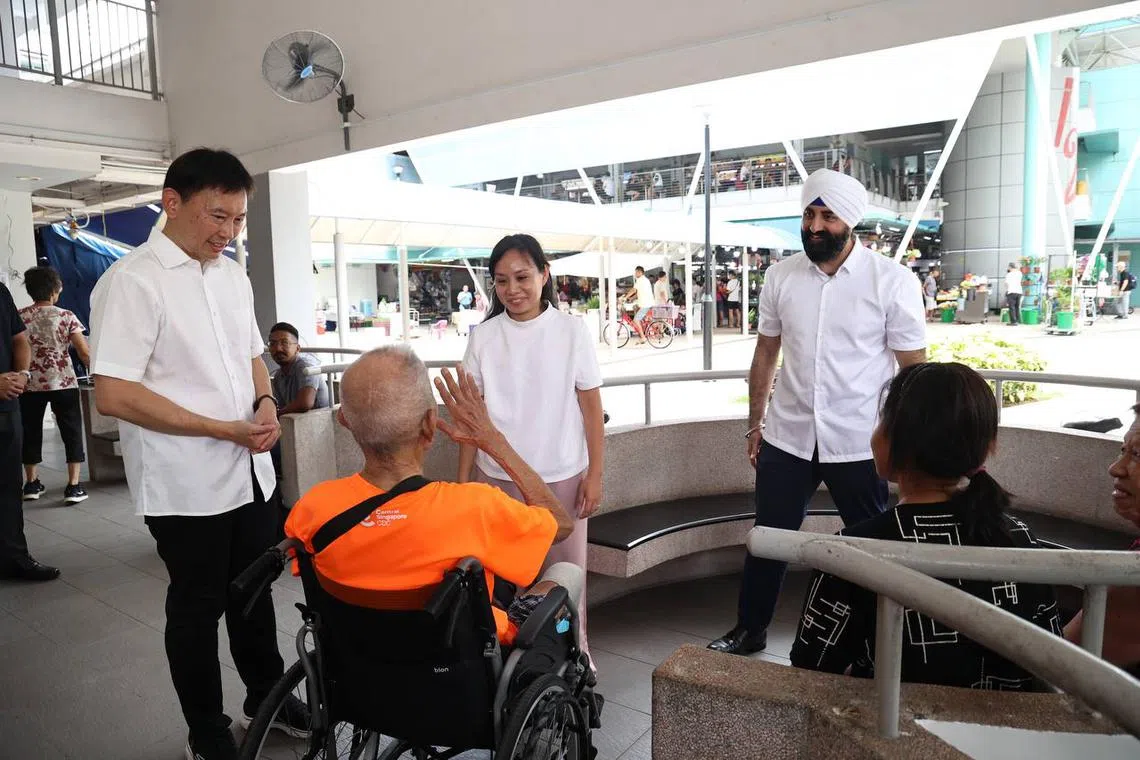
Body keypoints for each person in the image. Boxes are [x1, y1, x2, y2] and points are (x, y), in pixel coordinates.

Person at [90, 148, 304, 760]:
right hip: (185, 484)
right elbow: (114, 394)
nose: (228, 232)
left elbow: (249, 353)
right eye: (218, 216)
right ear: (173, 202)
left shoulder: (230, 273)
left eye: (238, 219)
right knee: (197, 607)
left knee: (255, 593)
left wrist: (264, 403)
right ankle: (205, 730)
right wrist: (221, 429)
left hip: (250, 470)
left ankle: (267, 697)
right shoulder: (132, 282)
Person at [708, 168, 927, 656]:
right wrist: (754, 425)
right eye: (809, 213)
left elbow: (914, 370)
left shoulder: (892, 281)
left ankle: (880, 644)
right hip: (787, 436)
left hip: (860, 441)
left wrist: (902, 440)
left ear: (850, 221)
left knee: (871, 548)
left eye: (827, 215)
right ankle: (750, 630)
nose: (814, 226)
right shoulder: (780, 276)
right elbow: (766, 354)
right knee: (768, 538)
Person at [790, 362, 1062, 689]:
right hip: (1007, 735)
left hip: (891, 730)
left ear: (894, 442)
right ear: (987, 446)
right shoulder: (1019, 537)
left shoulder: (852, 552)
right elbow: (1050, 655)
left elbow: (810, 667)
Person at [286, 351, 582, 650]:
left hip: (357, 667)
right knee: (567, 573)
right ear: (430, 424)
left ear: (345, 421)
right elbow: (561, 525)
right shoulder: (474, 507)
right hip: (461, 670)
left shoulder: (312, 508)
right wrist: (494, 441)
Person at [458, 234, 604, 659]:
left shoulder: (571, 331)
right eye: (501, 281)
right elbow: (471, 416)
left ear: (544, 274)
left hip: (561, 476)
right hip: (497, 479)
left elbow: (592, 409)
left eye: (522, 277)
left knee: (566, 579)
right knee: (505, 580)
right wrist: (464, 481)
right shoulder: (483, 338)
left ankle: (576, 656)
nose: (512, 289)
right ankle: (515, 664)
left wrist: (594, 475)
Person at [1064, 404, 1140, 673]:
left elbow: (1056, 666)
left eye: (1138, 455)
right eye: (1123, 451)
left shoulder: (1129, 583)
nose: (1116, 468)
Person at [0, 281, 59, 581]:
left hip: (6, 410)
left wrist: (22, 374)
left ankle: (14, 558)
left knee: (9, 488)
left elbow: (19, 339)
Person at [18, 266, 91, 504]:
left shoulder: (20, 316)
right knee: (71, 431)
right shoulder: (66, 316)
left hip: (29, 384)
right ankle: (73, 486)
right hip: (64, 382)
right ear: (55, 290)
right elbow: (83, 351)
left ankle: (31, 484)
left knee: (30, 431)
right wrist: (95, 373)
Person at [268, 322, 330, 415]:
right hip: (295, 423)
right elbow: (281, 407)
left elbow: (305, 403)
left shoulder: (307, 366)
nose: (278, 348)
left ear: (297, 348)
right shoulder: (278, 376)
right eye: (272, 344)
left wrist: (276, 415)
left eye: (285, 343)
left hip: (318, 423)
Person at [622, 265, 654, 344]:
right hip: (649, 303)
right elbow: (640, 292)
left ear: (640, 272)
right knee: (638, 310)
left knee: (636, 320)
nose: (635, 274)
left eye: (636, 272)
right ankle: (655, 329)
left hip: (645, 304)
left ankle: (643, 337)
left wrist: (626, 297)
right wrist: (632, 298)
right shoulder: (646, 280)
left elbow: (633, 290)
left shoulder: (640, 280)